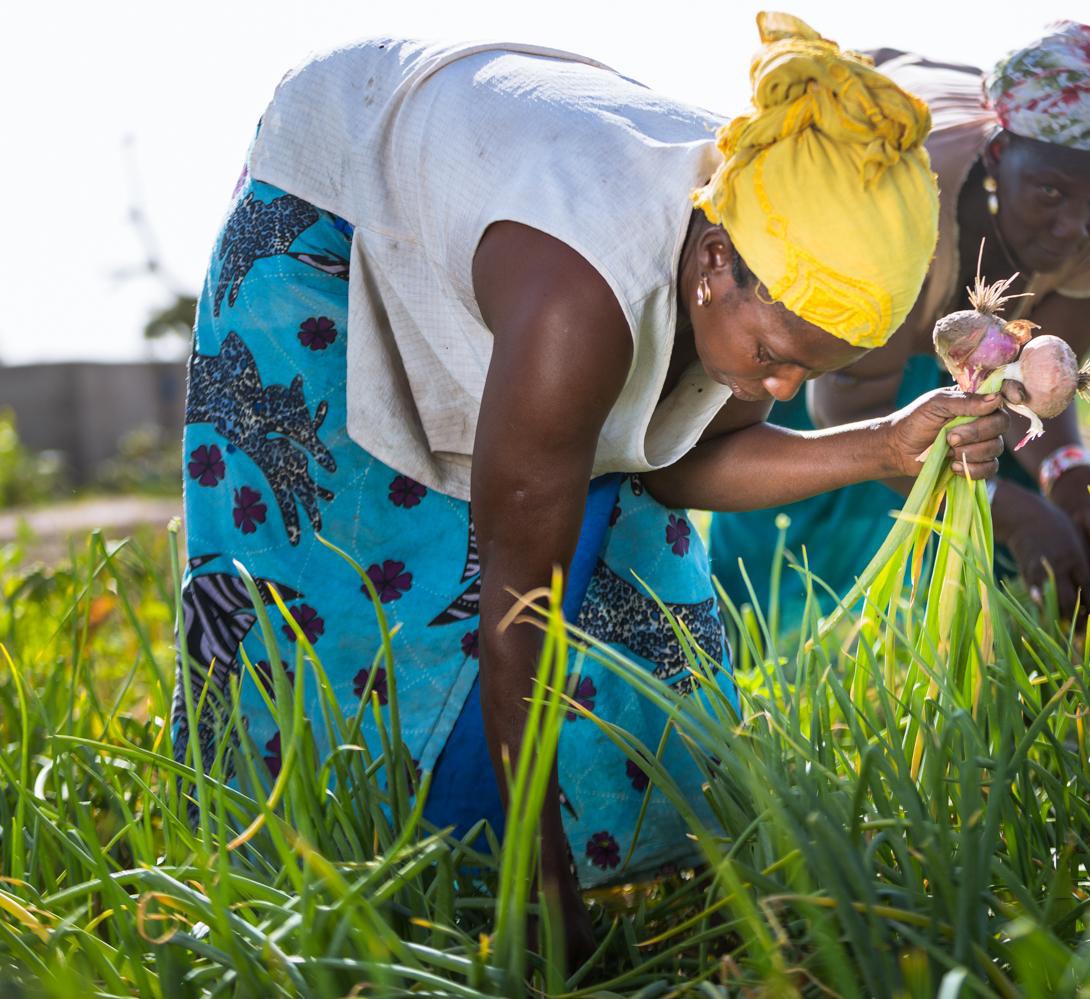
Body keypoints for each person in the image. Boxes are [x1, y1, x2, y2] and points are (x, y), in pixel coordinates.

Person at [170, 12, 1014, 959]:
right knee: (334, 566)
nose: (780, 389)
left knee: (641, 572)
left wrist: (887, 445)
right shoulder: (583, 298)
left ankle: (624, 868)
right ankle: (313, 876)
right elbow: (519, 599)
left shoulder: (754, 264)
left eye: (807, 373)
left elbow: (676, 463)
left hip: (520, 208)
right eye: (774, 357)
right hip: (341, 187)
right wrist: (543, 897)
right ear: (712, 262)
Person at [710, 14, 1090, 622]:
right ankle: (764, 653)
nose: (1074, 226)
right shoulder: (904, 206)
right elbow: (853, 416)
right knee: (784, 540)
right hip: (836, 365)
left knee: (1006, 512)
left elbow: (1037, 382)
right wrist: (1001, 506)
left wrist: (1069, 470)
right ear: (999, 155)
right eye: (1049, 193)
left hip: (965, 384)